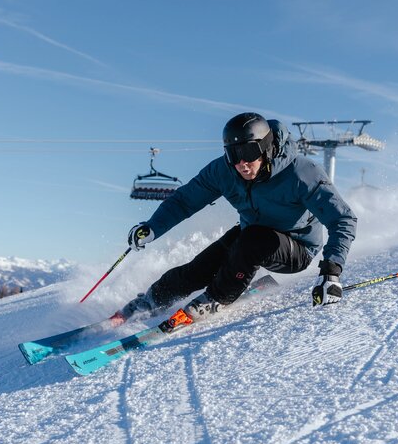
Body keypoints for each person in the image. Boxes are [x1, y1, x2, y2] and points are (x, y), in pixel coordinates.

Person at [114, 112, 357, 324]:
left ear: (266, 147)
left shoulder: (302, 173)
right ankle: (149, 301)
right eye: (233, 153)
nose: (242, 163)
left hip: (297, 248)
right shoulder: (225, 171)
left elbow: (343, 219)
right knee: (198, 269)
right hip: (251, 235)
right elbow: (185, 200)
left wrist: (330, 273)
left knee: (252, 239)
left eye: (249, 151)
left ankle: (216, 299)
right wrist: (152, 228)